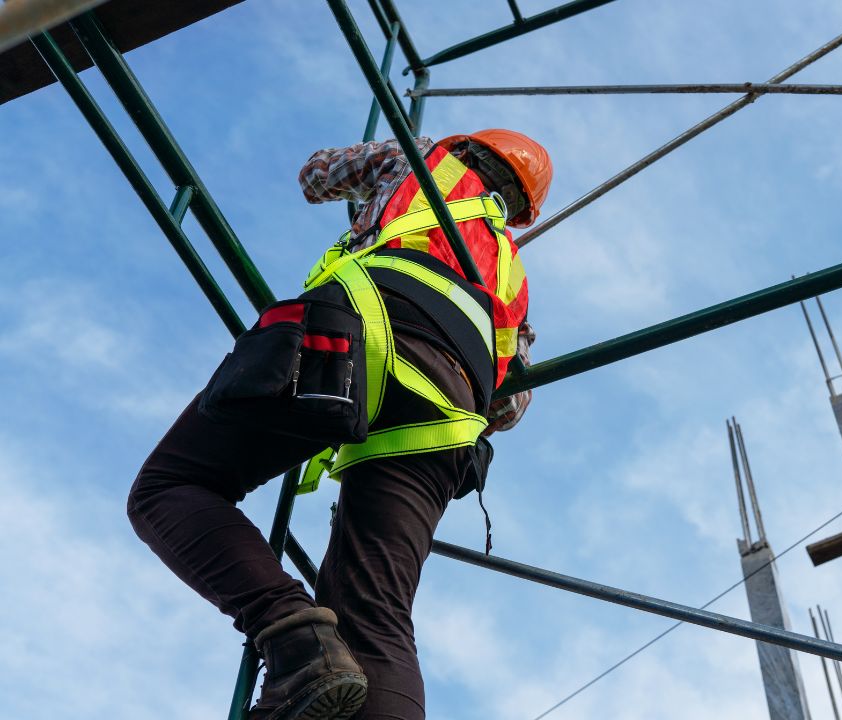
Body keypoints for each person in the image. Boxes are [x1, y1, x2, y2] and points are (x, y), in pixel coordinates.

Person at [126, 130, 551, 720]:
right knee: (377, 615)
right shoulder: (514, 282)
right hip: (447, 417)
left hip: (359, 336)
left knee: (168, 489)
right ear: (523, 210)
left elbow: (315, 176)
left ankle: (296, 638)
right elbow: (507, 408)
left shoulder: (417, 157)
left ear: (465, 150)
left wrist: (371, 211)